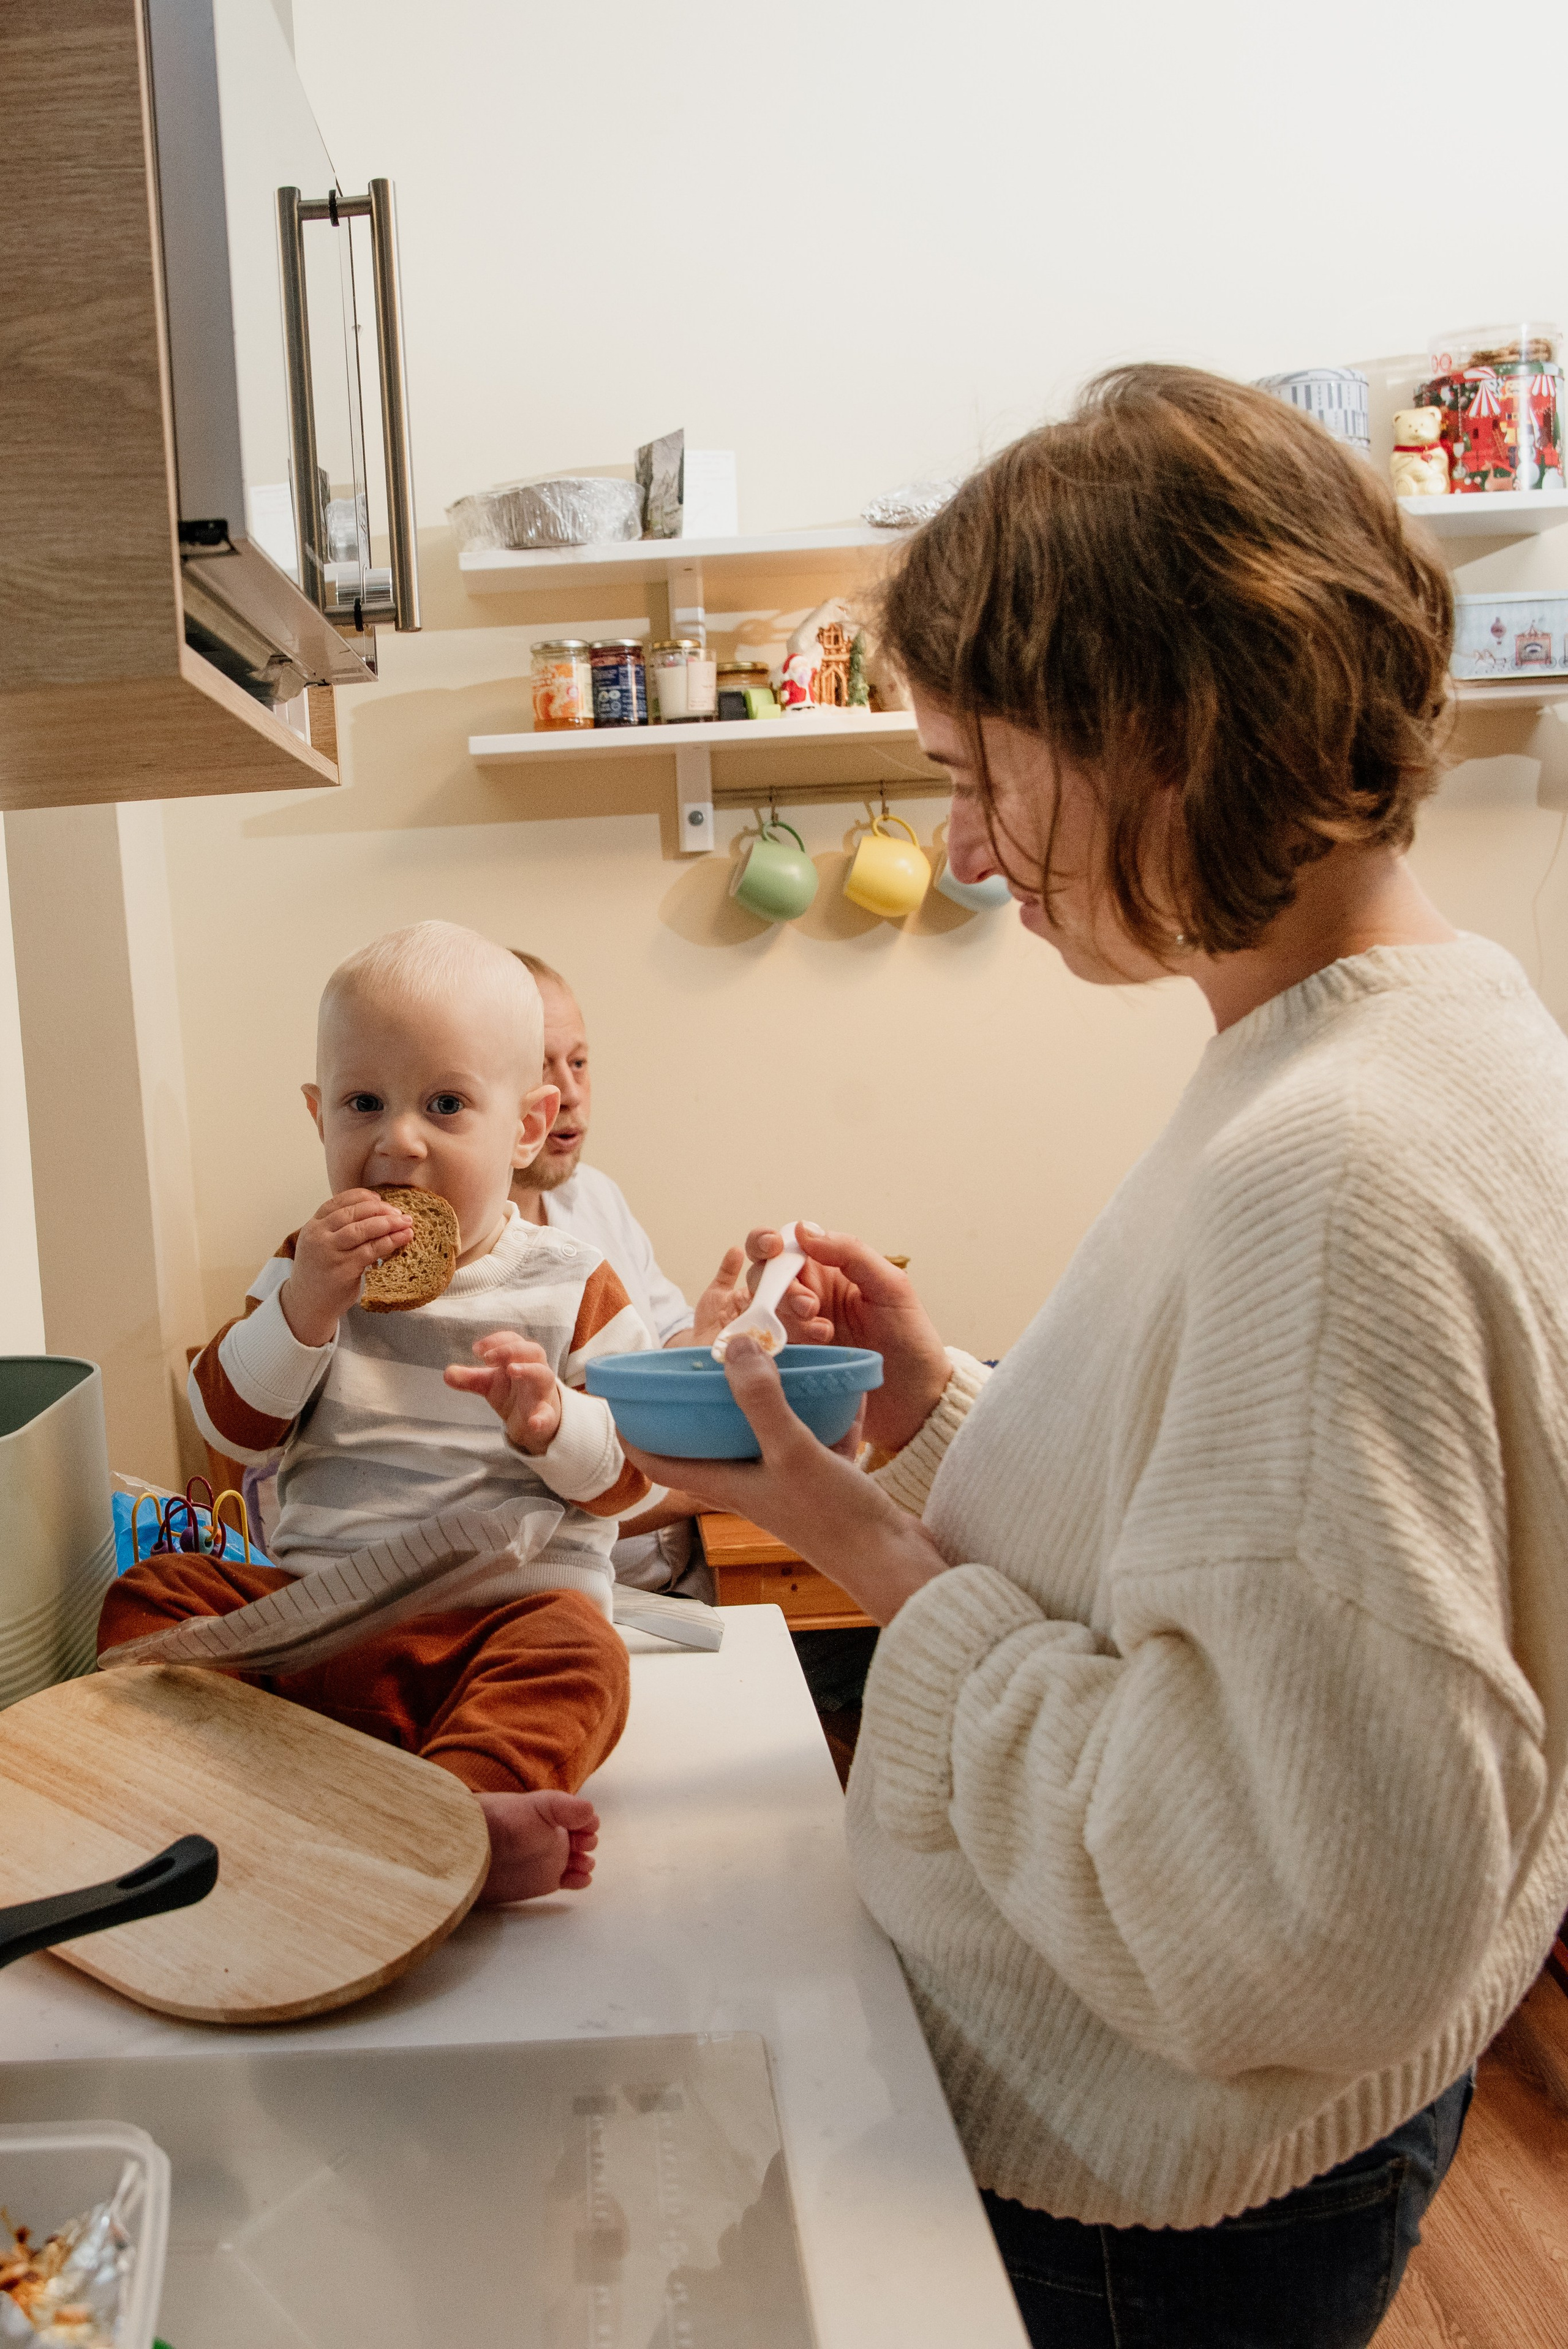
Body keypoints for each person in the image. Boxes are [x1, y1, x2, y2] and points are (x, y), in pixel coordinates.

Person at [617, 368, 1568, 2346]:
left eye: (983, 768)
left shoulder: (1333, 1163)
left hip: (1156, 2200)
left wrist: (868, 1552)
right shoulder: (1422, 1031)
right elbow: (1270, 1580)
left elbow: (1296, 1919)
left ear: (1164, 728)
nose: (966, 845)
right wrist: (937, 1402)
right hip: (1286, 2146)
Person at [102, 922, 654, 1906]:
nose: (398, 1139)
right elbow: (230, 1427)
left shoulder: (574, 1284)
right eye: (364, 1102)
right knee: (161, 1589)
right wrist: (305, 1306)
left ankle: (463, 1809)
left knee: (582, 1656)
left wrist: (551, 1420)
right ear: (318, 1116)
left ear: (526, 1126)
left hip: (499, 1618)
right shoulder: (306, 1264)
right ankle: (243, 1779)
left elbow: (632, 1474)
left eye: (445, 1104)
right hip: (320, 1615)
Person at [508, 949, 745, 1596]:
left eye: (578, 1063)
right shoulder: (451, 1272)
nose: (572, 1093)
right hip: (577, 1606)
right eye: (539, 1067)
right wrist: (704, 1491)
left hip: (689, 1579)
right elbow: (514, 1513)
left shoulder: (596, 1196)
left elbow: (665, 1351)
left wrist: (704, 1343)